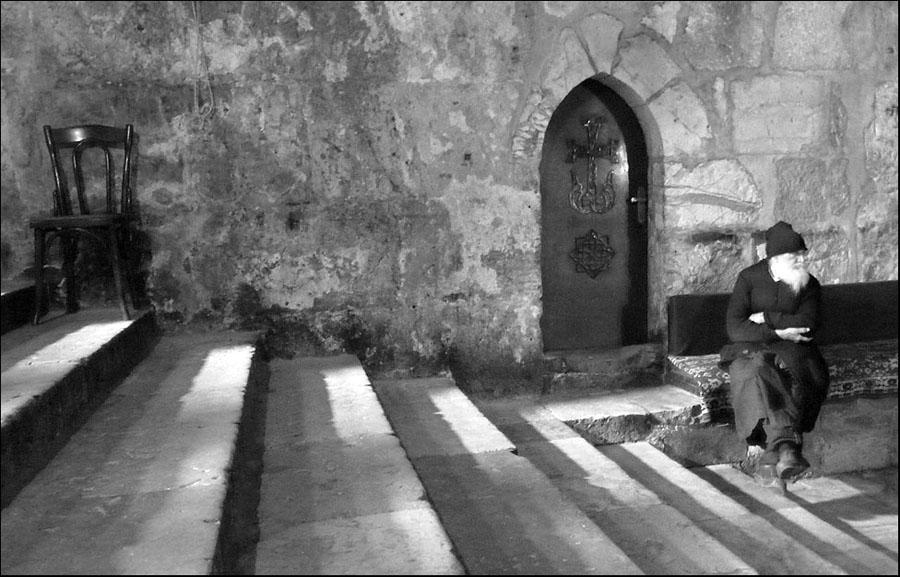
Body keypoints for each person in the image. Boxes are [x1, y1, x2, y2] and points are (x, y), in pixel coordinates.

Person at [719, 221, 830, 480]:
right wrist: (779, 332)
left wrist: (766, 317)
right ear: (775, 258)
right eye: (794, 256)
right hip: (751, 347)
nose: (802, 260)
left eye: (803, 254)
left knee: (772, 370)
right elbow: (735, 328)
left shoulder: (808, 283)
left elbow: (808, 323)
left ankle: (771, 454)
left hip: (794, 350)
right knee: (754, 368)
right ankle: (786, 447)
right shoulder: (749, 278)